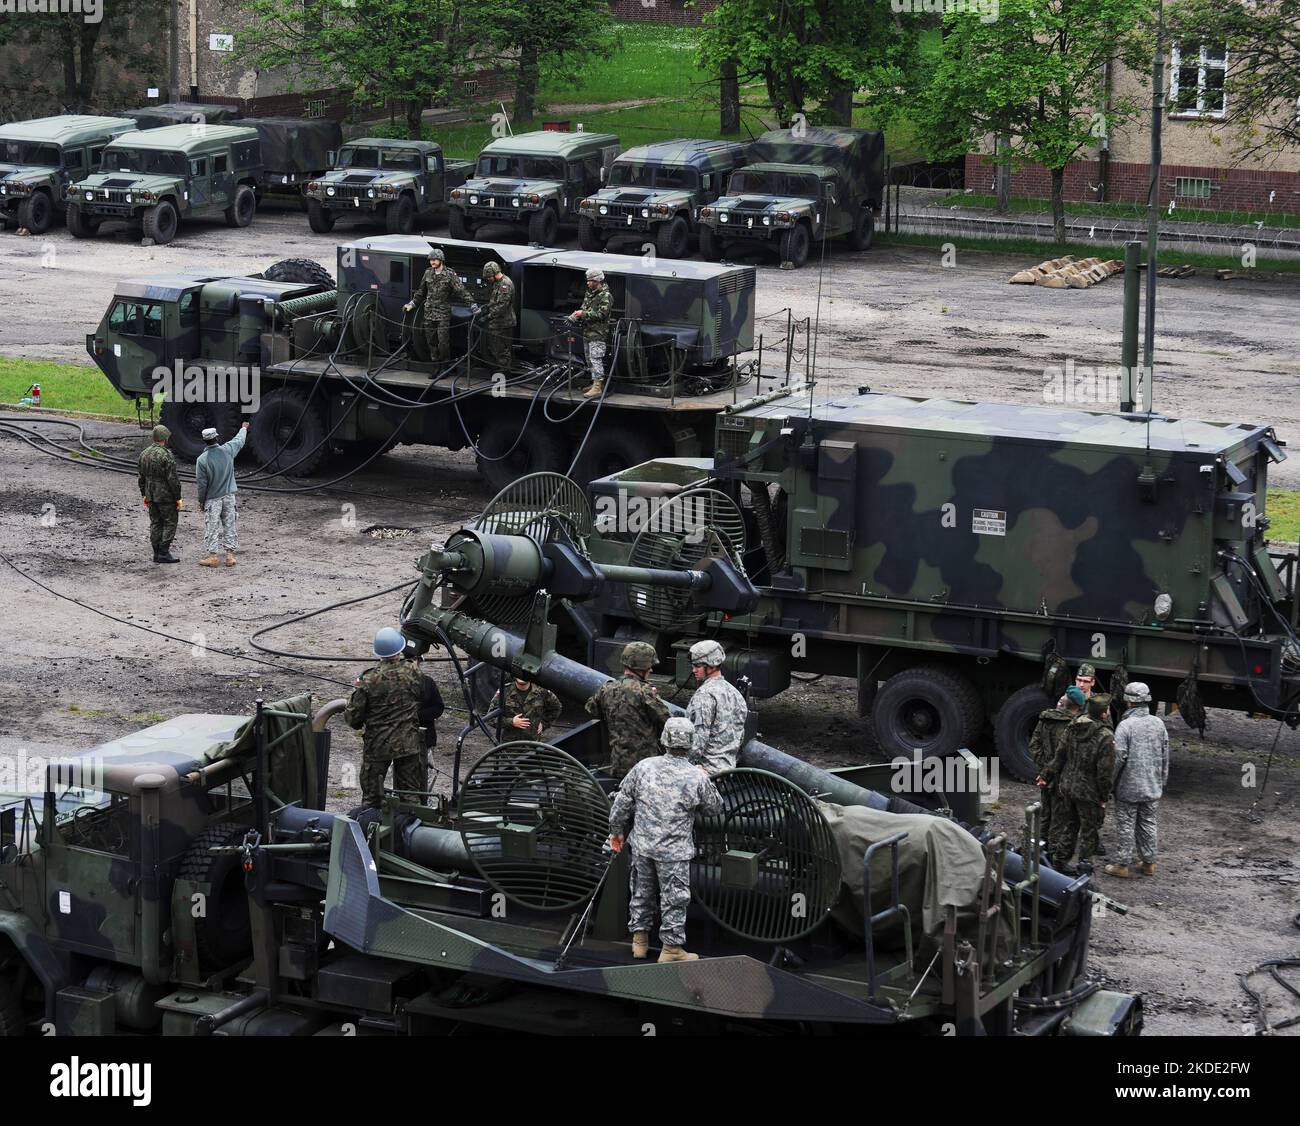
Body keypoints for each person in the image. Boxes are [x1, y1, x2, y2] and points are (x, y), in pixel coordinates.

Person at [608, 716, 722, 963]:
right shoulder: (696, 776)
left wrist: (616, 831)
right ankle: (670, 949)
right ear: (690, 743)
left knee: (641, 893)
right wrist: (704, 777)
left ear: (664, 740)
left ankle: (639, 942)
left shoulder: (644, 767)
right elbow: (714, 808)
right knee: (674, 899)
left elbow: (622, 802)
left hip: (642, 846)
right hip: (674, 852)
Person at [344, 627, 426, 807]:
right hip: (408, 743)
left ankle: (371, 823)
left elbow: (353, 719)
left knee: (372, 798)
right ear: (400, 649)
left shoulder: (368, 679)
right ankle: (414, 823)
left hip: (378, 745)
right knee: (411, 795)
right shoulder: (414, 672)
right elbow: (421, 695)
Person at [1105, 682, 1169, 879]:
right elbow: (1165, 755)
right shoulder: (1159, 724)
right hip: (1152, 786)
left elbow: (1118, 758)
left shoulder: (1125, 726)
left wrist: (1109, 784)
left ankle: (1122, 865)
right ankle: (1149, 863)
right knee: (1148, 823)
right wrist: (1161, 781)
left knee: (1126, 824)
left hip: (1128, 788)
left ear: (1128, 701)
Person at [1047, 687, 1115, 871]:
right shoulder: (1105, 737)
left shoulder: (1073, 726)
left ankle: (1060, 862)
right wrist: (1104, 796)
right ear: (1103, 713)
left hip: (1068, 786)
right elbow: (1105, 773)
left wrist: (1047, 774)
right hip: (1089, 792)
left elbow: (1059, 756)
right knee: (1089, 831)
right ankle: (1084, 868)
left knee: (1070, 824)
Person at [584, 641, 670, 778]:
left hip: (618, 763)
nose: (651, 670)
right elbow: (666, 722)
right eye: (649, 666)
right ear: (642, 667)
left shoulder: (607, 688)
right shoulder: (644, 692)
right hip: (645, 768)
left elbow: (591, 709)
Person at [404, 247, 477, 364]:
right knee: (431, 341)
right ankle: (435, 363)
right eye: (431, 260)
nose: (432, 262)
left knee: (443, 341)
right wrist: (412, 303)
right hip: (429, 312)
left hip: (443, 313)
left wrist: (472, 304)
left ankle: (445, 363)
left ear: (441, 260)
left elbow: (461, 291)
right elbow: (421, 291)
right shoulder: (428, 273)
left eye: (435, 259)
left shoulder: (449, 274)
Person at [684, 640, 747, 774]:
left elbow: (697, 741)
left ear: (712, 666)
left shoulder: (704, 695)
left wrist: (684, 766)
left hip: (704, 771)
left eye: (698, 666)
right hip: (728, 770)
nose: (693, 670)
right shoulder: (735, 694)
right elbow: (740, 737)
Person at [195, 421, 249, 567]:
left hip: (213, 499)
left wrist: (201, 501)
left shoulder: (201, 460)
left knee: (212, 527)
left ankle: (213, 557)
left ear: (204, 441)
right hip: (229, 496)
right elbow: (239, 440)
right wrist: (243, 428)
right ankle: (230, 556)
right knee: (230, 524)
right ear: (217, 438)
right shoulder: (228, 450)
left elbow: (202, 484)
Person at [1029, 691, 1077, 851]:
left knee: (1045, 812)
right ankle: (1052, 852)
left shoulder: (1045, 719)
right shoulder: (1074, 726)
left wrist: (1044, 769)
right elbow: (1069, 756)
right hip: (1063, 777)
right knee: (1059, 817)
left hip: (1045, 774)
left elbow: (1034, 745)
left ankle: (1039, 846)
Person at [137, 424, 182, 564]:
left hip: (150, 494)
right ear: (165, 438)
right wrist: (178, 497)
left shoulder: (144, 454)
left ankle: (156, 552)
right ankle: (164, 552)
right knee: (170, 522)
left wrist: (144, 494)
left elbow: (141, 477)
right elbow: (172, 479)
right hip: (165, 496)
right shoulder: (166, 454)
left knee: (155, 522)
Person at [568, 267, 612, 398]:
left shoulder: (606, 296)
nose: (587, 283)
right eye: (587, 280)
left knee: (596, 359)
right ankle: (595, 383)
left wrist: (583, 313)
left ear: (598, 281)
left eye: (590, 281)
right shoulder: (590, 293)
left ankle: (597, 387)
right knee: (589, 359)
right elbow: (584, 307)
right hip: (588, 332)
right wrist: (576, 315)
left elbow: (601, 314)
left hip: (598, 334)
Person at [493, 674, 563, 740]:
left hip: (533, 743)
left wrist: (544, 722)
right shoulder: (504, 691)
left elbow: (556, 707)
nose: (522, 675)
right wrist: (511, 722)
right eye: (519, 672)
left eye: (525, 672)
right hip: (510, 744)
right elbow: (491, 717)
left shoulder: (542, 691)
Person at [481, 260, 515, 371]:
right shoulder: (498, 283)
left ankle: (504, 372)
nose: (488, 279)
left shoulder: (505, 284)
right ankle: (501, 369)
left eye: (489, 277)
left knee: (501, 350)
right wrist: (487, 307)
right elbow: (496, 301)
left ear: (495, 273)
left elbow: (502, 306)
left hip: (503, 323)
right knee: (496, 348)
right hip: (497, 322)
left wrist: (488, 316)